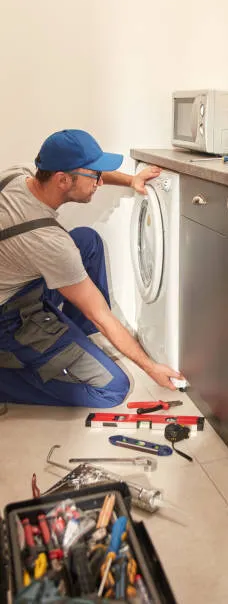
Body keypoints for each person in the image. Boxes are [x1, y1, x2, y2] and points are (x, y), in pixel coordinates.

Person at [0, 128, 183, 409]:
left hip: (16, 280)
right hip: (8, 318)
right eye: (94, 176)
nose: (99, 182)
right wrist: (151, 367)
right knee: (112, 389)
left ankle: (74, 339)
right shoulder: (50, 243)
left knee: (87, 241)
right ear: (62, 180)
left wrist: (131, 179)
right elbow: (99, 314)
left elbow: (84, 173)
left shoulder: (20, 174)